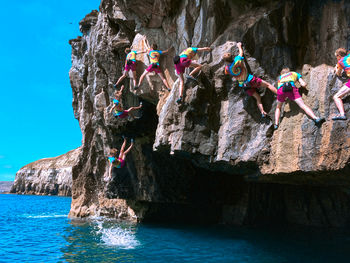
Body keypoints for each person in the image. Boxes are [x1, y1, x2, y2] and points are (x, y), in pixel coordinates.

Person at [223, 42, 277, 118]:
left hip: (244, 85)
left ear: (225, 61)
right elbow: (241, 53)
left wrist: (227, 66)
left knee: (258, 98)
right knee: (268, 85)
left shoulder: (227, 69)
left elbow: (226, 72)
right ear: (232, 58)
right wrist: (239, 46)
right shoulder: (237, 60)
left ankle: (262, 111)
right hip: (250, 79)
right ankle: (280, 94)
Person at [332, 48, 350, 120]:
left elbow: (338, 74)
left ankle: (342, 114)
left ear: (338, 55)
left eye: (336, 56)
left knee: (336, 97)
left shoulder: (340, 61)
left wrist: (336, 68)